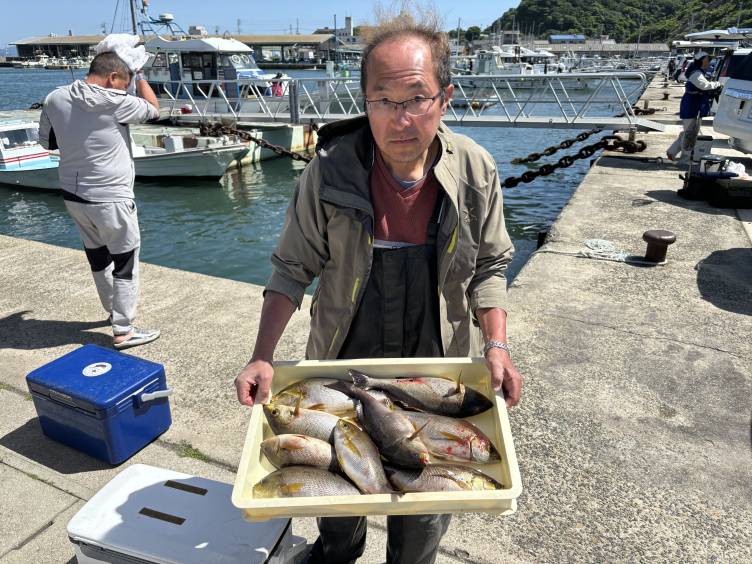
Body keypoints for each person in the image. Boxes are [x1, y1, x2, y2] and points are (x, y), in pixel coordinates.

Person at [234, 19, 523, 564]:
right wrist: (262, 356)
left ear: (445, 98)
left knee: (425, 494)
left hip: (435, 358)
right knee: (335, 481)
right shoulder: (328, 172)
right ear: (365, 102)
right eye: (383, 100)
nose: (400, 117)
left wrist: (497, 345)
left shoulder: (475, 169)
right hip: (345, 351)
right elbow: (291, 269)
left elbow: (490, 264)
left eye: (416, 98)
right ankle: (338, 550)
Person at [39, 50, 161, 349]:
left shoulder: (55, 98)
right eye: (125, 83)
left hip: (74, 194)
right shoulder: (116, 102)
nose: (126, 89)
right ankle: (124, 330)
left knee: (98, 257)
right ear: (112, 77)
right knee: (125, 261)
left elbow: (47, 142)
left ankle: (112, 312)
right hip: (111, 196)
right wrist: (140, 74)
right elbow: (153, 109)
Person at [667, 51, 721, 164]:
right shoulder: (696, 74)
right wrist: (717, 84)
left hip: (693, 104)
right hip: (692, 105)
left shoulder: (697, 72)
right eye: (707, 59)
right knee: (690, 134)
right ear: (702, 60)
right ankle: (685, 160)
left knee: (688, 132)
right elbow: (705, 85)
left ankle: (672, 151)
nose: (709, 62)